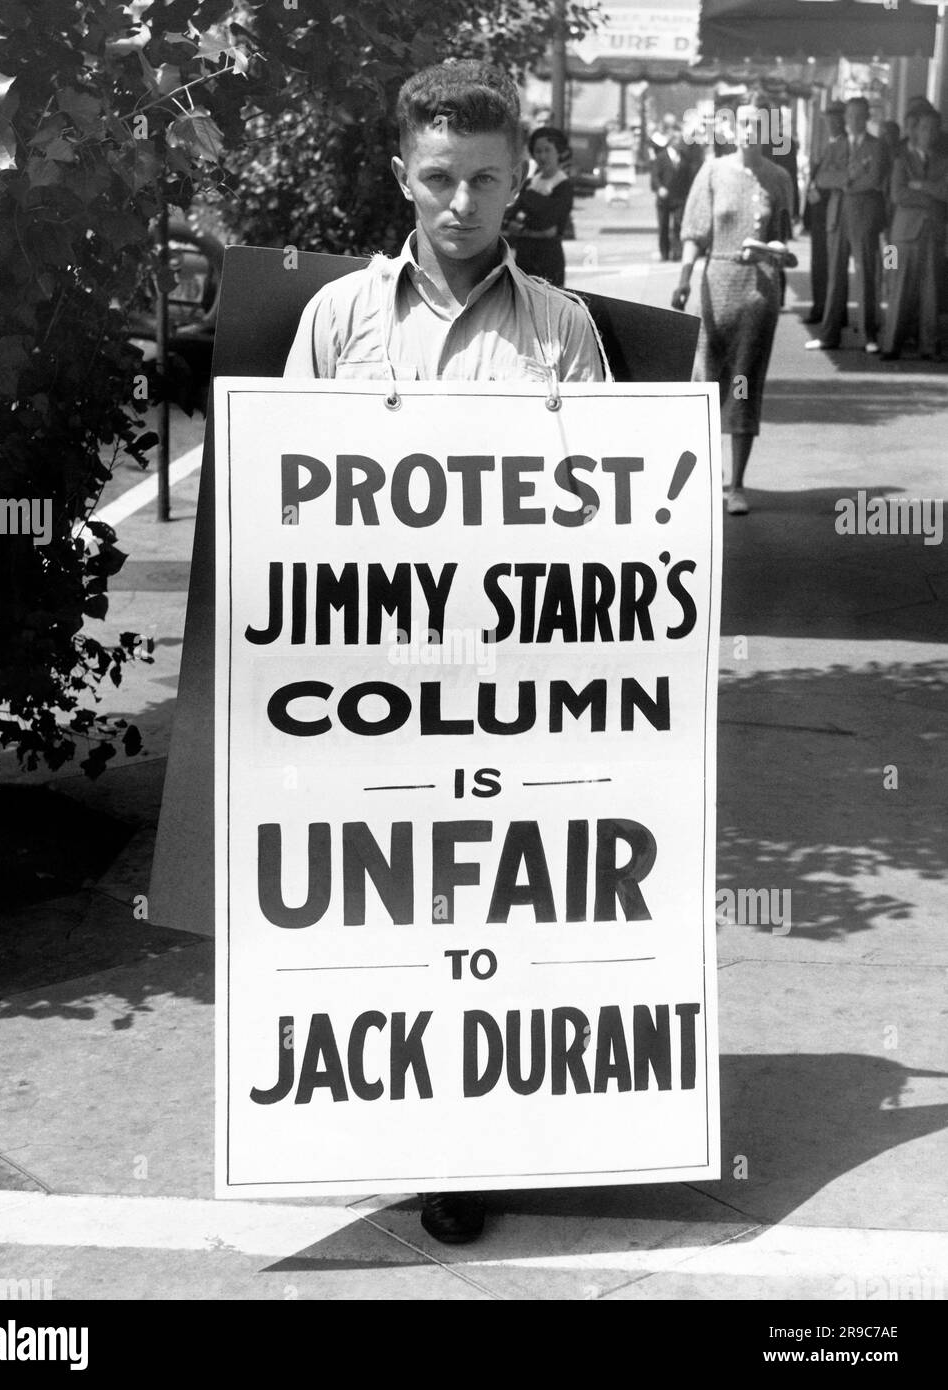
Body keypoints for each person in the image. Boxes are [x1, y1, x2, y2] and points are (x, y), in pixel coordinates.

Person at [284, 59, 609, 1244]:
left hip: (511, 684)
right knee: (388, 916)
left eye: (485, 177)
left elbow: (606, 526)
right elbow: (288, 510)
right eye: (438, 178)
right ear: (400, 177)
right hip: (369, 682)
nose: (461, 202)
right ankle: (408, 1119)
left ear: (520, 176)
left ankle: (471, 1141)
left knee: (495, 921)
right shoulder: (336, 322)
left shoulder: (562, 332)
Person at [672, 105, 794, 516]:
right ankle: (704, 476)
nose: (749, 132)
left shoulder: (779, 179)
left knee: (744, 380)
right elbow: (695, 233)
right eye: (744, 123)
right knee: (705, 381)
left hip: (759, 290)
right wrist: (685, 278)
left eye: (759, 126)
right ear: (731, 127)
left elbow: (784, 239)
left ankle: (737, 484)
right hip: (716, 281)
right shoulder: (712, 172)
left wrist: (777, 257)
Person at [806, 96, 890, 355]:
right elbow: (822, 177)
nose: (853, 120)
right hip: (837, 217)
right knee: (835, 278)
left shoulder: (877, 147)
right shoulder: (836, 145)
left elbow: (875, 178)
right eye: (850, 116)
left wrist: (843, 182)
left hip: (864, 218)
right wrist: (848, 177)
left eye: (859, 115)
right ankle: (829, 334)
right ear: (845, 118)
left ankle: (869, 335)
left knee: (866, 276)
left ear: (867, 117)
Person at [881, 109, 948, 360]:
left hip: (933, 233)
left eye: (933, 129)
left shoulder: (943, 161)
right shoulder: (902, 161)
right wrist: (933, 195)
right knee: (898, 287)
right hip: (900, 235)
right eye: (923, 128)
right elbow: (899, 195)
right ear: (915, 132)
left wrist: (920, 186)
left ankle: (929, 346)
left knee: (931, 291)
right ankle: (891, 344)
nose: (928, 134)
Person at [505, 125, 574, 285]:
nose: (542, 156)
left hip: (548, 259)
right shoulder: (529, 183)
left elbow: (550, 228)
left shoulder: (564, 186)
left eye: (547, 150)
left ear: (559, 152)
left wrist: (522, 227)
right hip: (523, 258)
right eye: (538, 151)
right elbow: (511, 217)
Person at [803, 102, 846, 325]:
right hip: (820, 213)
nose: (831, 124)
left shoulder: (844, 145)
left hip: (831, 212)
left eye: (835, 119)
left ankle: (827, 309)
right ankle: (823, 307)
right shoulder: (828, 145)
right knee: (820, 263)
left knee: (829, 265)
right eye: (829, 119)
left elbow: (839, 179)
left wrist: (820, 190)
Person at [650, 130, 694, 261]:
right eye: (676, 140)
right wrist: (659, 188)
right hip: (664, 199)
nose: (679, 143)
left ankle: (677, 252)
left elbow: (689, 176)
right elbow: (654, 176)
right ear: (670, 142)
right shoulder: (661, 157)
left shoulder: (685, 158)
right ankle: (664, 252)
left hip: (679, 197)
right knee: (663, 226)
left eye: (681, 140)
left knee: (678, 225)